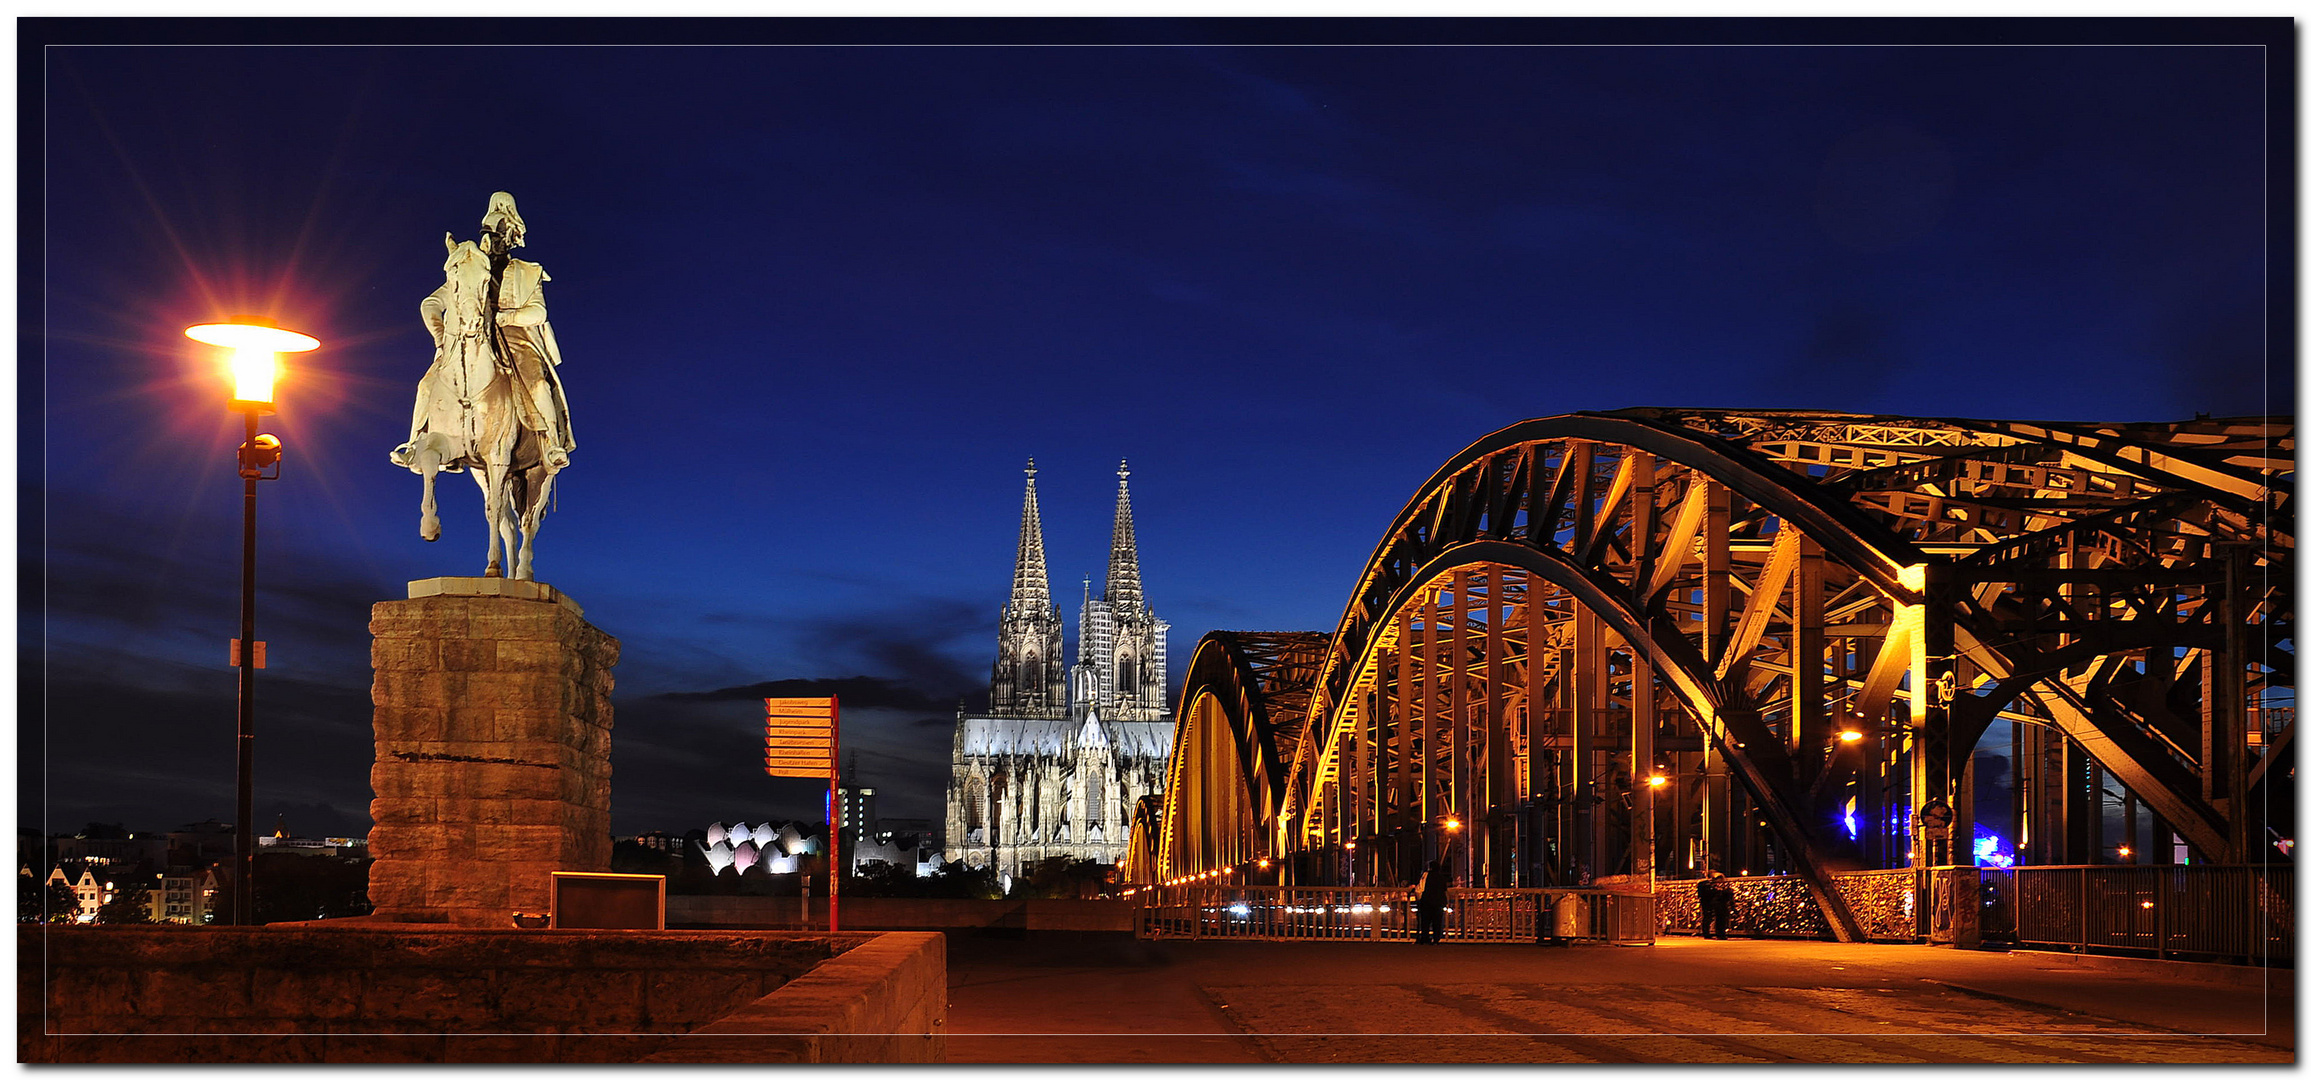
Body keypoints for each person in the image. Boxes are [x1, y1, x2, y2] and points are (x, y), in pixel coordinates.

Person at [393, 191, 575, 473]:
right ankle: (416, 441)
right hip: (469, 337)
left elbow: (539, 312)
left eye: (499, 233)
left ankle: (551, 443)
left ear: (512, 236)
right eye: (488, 232)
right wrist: (440, 338)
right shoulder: (471, 268)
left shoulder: (527, 271)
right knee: (427, 384)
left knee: (537, 382)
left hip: (514, 337)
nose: (491, 240)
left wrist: (508, 317)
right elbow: (432, 302)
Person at [1415, 853, 1451, 945]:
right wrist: (1447, 902)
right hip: (1439, 902)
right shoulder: (1442, 878)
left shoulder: (1425, 875)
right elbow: (1445, 891)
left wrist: (1418, 899)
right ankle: (1436, 939)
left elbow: (1420, 888)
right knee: (1437, 922)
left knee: (1425, 921)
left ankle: (1425, 938)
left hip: (1426, 901)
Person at [1698, 870, 1733, 939]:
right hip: (1712, 903)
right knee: (1711, 917)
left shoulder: (1705, 884)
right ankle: (1712, 933)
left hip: (1716, 903)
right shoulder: (1705, 884)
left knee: (1717, 918)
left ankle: (1716, 933)